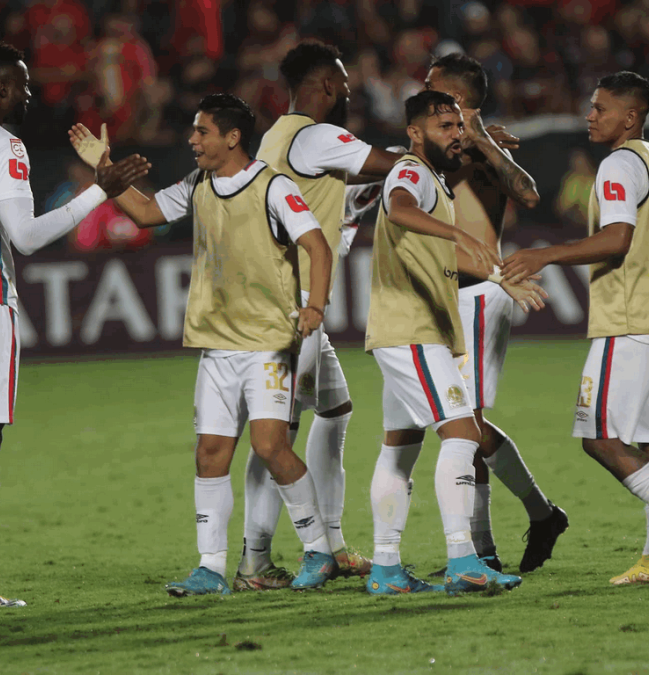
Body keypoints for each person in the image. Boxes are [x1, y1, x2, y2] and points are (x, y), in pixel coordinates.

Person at [69, 93, 338, 593]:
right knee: (210, 453)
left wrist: (315, 307)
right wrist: (105, 170)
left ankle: (319, 552)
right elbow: (147, 213)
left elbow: (317, 246)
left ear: (231, 137)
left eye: (202, 131)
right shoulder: (198, 184)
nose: (192, 140)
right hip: (217, 344)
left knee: (270, 447)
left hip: (266, 343)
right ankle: (211, 568)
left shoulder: (273, 187)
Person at [0, 40, 149, 610]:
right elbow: (26, 236)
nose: (28, 92)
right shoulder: (4, 145)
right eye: (20, 84)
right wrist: (102, 190)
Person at [502, 71, 649, 585]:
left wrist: (545, 254)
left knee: (599, 436)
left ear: (630, 117)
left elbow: (618, 238)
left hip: (631, 319)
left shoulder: (619, 164)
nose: (589, 115)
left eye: (600, 108)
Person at [236, 40, 403, 590]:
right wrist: (451, 145)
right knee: (275, 432)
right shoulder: (318, 135)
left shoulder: (276, 137)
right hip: (292, 308)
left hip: (287, 301)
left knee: (334, 408)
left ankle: (331, 541)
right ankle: (256, 559)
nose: (350, 97)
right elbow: (395, 162)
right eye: (347, 89)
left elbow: (333, 199)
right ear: (328, 87)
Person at [365, 90, 546, 595]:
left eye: (457, 125)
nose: (455, 133)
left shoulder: (437, 179)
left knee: (398, 449)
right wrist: (458, 236)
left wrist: (494, 271)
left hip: (405, 330)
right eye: (444, 126)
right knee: (463, 434)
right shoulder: (412, 172)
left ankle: (384, 569)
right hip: (412, 330)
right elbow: (399, 208)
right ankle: (464, 559)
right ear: (416, 132)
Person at [424, 52, 569, 575]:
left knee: (466, 424)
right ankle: (528, 522)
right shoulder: (438, 147)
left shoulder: (482, 153)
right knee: (462, 425)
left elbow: (528, 194)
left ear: (458, 100)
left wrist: (482, 137)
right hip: (440, 297)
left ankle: (505, 535)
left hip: (478, 295)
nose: (421, 94)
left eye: (432, 88)